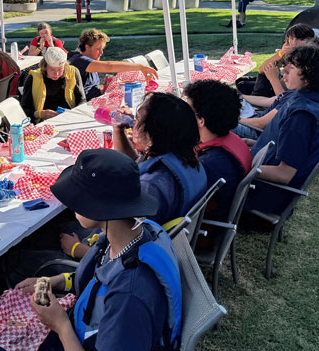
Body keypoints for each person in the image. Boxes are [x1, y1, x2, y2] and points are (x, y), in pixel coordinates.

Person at [0, 149, 182, 351]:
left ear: (99, 206)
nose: (71, 204)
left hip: (67, 339)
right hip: (75, 323)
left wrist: (59, 325)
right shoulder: (134, 230)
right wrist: (54, 281)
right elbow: (100, 277)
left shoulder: (130, 295)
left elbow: (117, 304)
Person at [245, 45, 319, 215]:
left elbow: (284, 174)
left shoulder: (302, 116)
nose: (284, 69)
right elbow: (290, 147)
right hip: (263, 182)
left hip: (260, 196)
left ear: (311, 75)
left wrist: (238, 165)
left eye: (293, 66)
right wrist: (249, 143)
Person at [114, 92, 207, 226]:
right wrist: (118, 131)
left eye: (138, 118)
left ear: (154, 132)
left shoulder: (150, 186)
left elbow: (127, 235)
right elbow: (134, 165)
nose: (133, 123)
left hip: (145, 241)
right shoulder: (188, 160)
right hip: (174, 239)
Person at [183, 80, 252, 218]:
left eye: (185, 109)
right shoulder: (230, 139)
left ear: (200, 120)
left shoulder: (209, 166)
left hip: (201, 230)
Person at [68, 28, 158, 100]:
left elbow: (89, 88)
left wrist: (106, 88)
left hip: (95, 101)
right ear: (87, 47)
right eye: (98, 49)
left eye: (102, 49)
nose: (101, 52)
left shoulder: (90, 60)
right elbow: (109, 66)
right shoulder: (79, 60)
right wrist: (140, 67)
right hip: (84, 107)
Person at [239, 23, 315, 98]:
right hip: (277, 88)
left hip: (278, 93)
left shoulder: (308, 60)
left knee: (246, 86)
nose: (293, 42)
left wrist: (274, 79)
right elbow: (262, 69)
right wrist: (281, 54)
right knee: (241, 83)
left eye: (300, 38)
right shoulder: (292, 53)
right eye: (290, 39)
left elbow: (285, 101)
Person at [20, 47, 86, 122]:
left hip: (68, 119)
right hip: (43, 122)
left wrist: (72, 113)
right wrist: (40, 114)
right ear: (45, 66)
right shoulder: (34, 77)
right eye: (52, 69)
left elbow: (82, 100)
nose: (56, 74)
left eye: (60, 69)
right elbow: (24, 110)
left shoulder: (73, 72)